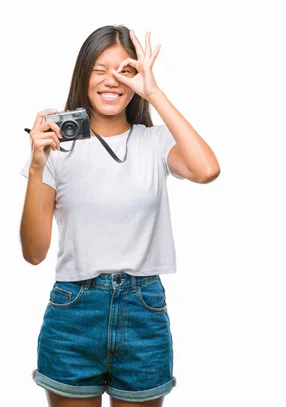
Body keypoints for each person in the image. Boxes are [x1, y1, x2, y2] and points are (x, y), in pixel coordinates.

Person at [19, 24, 220, 407]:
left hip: (143, 310)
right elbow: (33, 253)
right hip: (73, 312)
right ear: (83, 74)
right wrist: (36, 167)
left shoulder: (155, 142)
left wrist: (155, 93)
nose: (111, 80)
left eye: (124, 70)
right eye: (100, 69)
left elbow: (206, 170)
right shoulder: (54, 148)